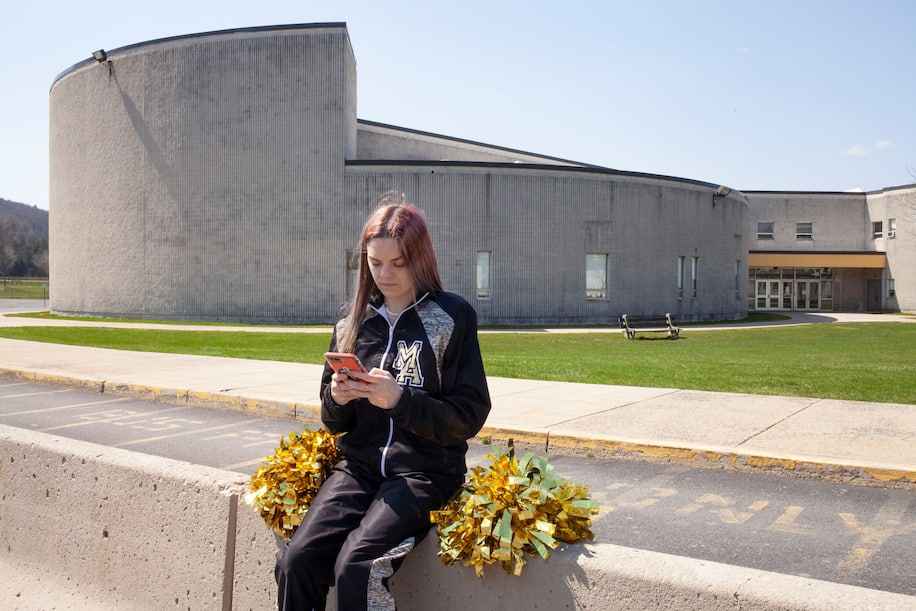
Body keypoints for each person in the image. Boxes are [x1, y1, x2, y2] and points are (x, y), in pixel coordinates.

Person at [275, 193, 492, 610]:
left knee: (358, 565)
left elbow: (469, 415)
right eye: (375, 263)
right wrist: (337, 398)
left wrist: (400, 400)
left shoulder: (451, 316)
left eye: (398, 263)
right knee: (296, 560)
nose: (385, 274)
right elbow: (333, 421)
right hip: (357, 469)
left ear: (421, 258)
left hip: (423, 474)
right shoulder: (350, 321)